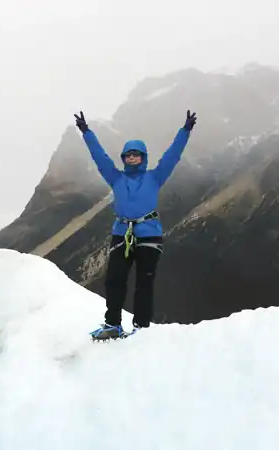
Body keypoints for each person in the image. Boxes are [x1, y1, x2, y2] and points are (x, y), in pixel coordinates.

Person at [74, 110, 197, 340]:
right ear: (123, 158)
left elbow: (172, 156)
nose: (131, 158)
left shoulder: (155, 176)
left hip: (149, 234)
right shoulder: (116, 177)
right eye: (128, 155)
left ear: (143, 157)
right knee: (115, 279)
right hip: (122, 233)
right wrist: (86, 132)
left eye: (136, 155)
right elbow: (99, 157)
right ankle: (113, 325)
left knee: (144, 282)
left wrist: (185, 131)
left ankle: (141, 327)